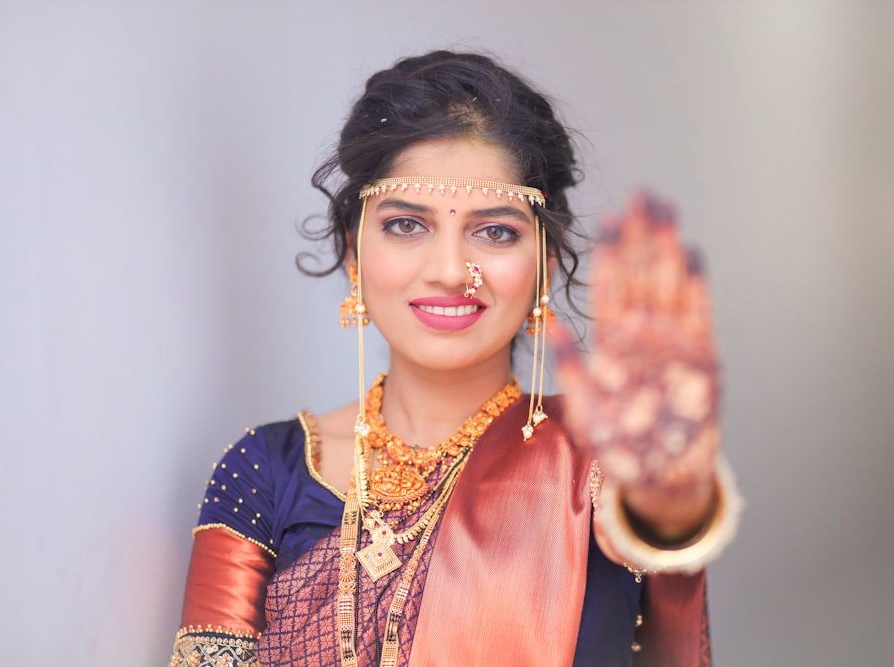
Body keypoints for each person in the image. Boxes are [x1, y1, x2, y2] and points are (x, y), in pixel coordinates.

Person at [169, 50, 741, 667]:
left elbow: (665, 531)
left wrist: (675, 506)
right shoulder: (266, 473)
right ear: (353, 252)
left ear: (544, 265)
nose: (448, 272)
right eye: (406, 226)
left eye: (494, 231)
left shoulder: (601, 458)